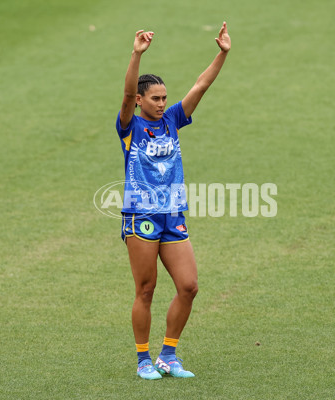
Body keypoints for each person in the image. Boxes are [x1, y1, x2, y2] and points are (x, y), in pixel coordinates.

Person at [116, 22, 231, 380]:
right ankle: (142, 360)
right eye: (155, 99)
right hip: (141, 217)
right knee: (146, 289)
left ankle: (168, 354)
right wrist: (136, 54)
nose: (162, 103)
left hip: (172, 215)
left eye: (165, 98)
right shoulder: (129, 126)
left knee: (189, 286)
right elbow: (124, 95)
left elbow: (201, 85)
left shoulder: (172, 120)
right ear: (140, 100)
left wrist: (222, 53)